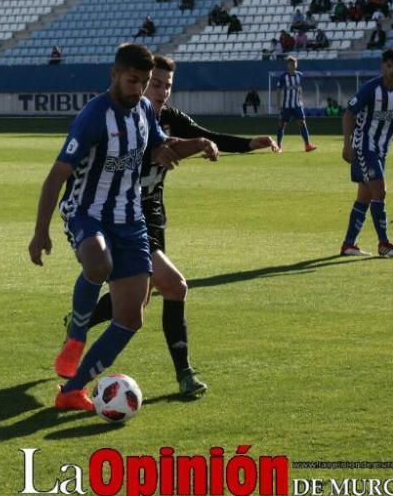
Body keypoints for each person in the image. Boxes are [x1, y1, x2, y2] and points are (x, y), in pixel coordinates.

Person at [27, 43, 217, 411]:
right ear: (114, 75)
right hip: (87, 211)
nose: (139, 89)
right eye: (133, 81)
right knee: (98, 265)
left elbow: (163, 149)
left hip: (131, 221)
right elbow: (56, 177)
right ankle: (75, 336)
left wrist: (200, 143)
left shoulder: (144, 110)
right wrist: (40, 232)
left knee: (130, 318)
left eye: (145, 82)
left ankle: (72, 391)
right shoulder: (93, 116)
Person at [78, 55, 277, 396]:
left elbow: (204, 134)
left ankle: (79, 323)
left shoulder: (169, 119)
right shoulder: (123, 120)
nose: (161, 91)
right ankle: (184, 374)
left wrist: (246, 144)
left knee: (143, 297)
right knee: (175, 286)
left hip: (153, 218)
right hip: (124, 220)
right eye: (155, 84)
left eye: (167, 85)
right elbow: (155, 152)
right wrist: (184, 148)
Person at [340, 48, 393, 258]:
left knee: (365, 197)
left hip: (381, 150)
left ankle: (348, 245)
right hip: (364, 147)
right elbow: (349, 114)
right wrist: (347, 145)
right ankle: (383, 244)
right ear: (382, 67)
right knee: (380, 191)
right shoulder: (370, 89)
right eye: (389, 66)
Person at [275, 56, 317, 152]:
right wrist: (278, 104)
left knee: (302, 123)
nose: (292, 66)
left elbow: (300, 89)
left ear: (296, 65)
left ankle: (307, 145)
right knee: (281, 124)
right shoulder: (283, 77)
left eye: (294, 64)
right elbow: (278, 91)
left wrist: (301, 100)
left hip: (297, 105)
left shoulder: (300, 75)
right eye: (290, 64)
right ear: (287, 65)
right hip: (286, 106)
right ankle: (279, 146)